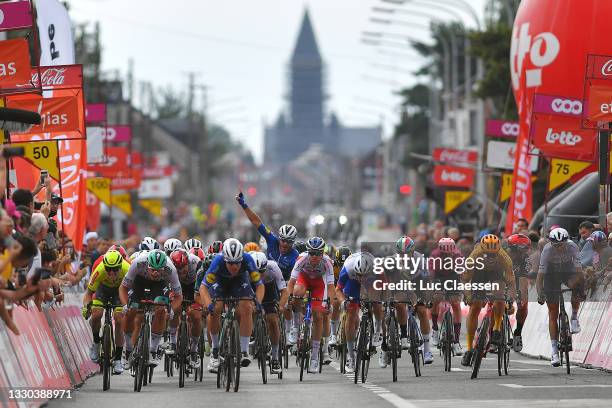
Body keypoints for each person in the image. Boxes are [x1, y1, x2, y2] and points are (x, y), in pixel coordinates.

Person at [235, 191, 299, 346]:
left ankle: (291, 329)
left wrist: (288, 297)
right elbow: (256, 222)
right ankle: (252, 332)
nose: (284, 244)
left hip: (283, 282)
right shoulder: (271, 240)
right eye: (282, 240)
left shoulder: (295, 256)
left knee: (284, 307)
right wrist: (244, 205)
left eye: (288, 242)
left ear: (293, 243)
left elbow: (293, 280)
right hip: (264, 277)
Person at [199, 238, 264, 372]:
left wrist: (258, 301)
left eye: (237, 263)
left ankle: (244, 351)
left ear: (242, 259)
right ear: (225, 260)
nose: (234, 267)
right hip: (220, 282)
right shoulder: (218, 261)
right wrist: (208, 304)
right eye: (230, 263)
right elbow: (203, 288)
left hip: (240, 281)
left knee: (247, 307)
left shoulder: (247, 259)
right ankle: (215, 351)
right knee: (215, 308)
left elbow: (260, 286)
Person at [120, 249, 183, 367]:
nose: (155, 273)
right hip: (139, 281)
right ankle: (128, 348)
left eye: (159, 270)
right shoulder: (138, 263)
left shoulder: (170, 269)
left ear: (164, 267)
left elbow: (179, 296)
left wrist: (172, 310)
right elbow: (123, 288)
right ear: (147, 265)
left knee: (161, 310)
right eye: (153, 269)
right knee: (131, 310)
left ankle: (153, 350)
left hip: (160, 284)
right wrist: (125, 305)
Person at [461, 234, 515, 367]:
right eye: (488, 255)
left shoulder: (505, 258)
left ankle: (496, 329)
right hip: (479, 274)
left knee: (500, 296)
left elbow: (511, 283)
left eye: (494, 255)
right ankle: (469, 348)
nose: (491, 258)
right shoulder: (473, 258)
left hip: (496, 274)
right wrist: (468, 295)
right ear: (482, 250)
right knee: (475, 306)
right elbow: (465, 280)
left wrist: (510, 300)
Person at [285, 236, 334, 372]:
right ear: (308, 252)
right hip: (304, 279)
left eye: (318, 253)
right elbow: (291, 282)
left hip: (319, 283)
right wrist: (289, 297)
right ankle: (295, 326)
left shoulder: (327, 262)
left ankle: (314, 357)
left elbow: (330, 286)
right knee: (297, 292)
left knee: (319, 316)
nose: (314, 256)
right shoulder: (302, 259)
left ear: (322, 253)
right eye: (311, 253)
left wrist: (329, 302)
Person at [537, 227, 584, 367]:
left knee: (576, 285)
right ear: (551, 243)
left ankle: (574, 317)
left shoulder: (573, 247)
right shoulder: (547, 250)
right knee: (553, 312)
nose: (558, 247)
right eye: (555, 245)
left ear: (567, 241)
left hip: (568, 270)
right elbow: (540, 277)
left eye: (561, 245)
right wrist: (540, 293)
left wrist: (579, 287)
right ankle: (554, 350)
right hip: (551, 274)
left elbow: (579, 272)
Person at [82, 250, 130, 374]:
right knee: (96, 314)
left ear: (121, 266)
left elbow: (132, 292)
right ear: (105, 267)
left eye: (115, 269)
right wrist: (86, 307)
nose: (112, 273)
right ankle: (96, 342)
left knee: (119, 320)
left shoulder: (127, 269)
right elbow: (88, 294)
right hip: (102, 289)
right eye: (109, 269)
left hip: (120, 290)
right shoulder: (100, 270)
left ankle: (118, 359)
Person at [394, 236, 434, 364]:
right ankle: (404, 336)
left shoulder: (420, 259)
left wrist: (428, 297)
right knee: (399, 305)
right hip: (400, 283)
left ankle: (427, 350)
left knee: (422, 311)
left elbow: (427, 281)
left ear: (412, 252)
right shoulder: (393, 261)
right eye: (401, 254)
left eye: (407, 253)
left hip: (418, 283)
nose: (404, 256)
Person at [334, 251, 375, 373]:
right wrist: (343, 302)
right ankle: (351, 356)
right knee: (351, 314)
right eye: (359, 275)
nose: (361, 278)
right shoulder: (347, 269)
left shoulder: (376, 269)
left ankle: (375, 333)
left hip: (371, 283)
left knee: (376, 305)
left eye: (364, 275)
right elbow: (338, 290)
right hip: (352, 284)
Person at [249, 251, 288, 372]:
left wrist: (281, 305)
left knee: (273, 320)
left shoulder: (273, 267)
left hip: (269, 290)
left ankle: (275, 358)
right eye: (256, 273)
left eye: (261, 272)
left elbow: (284, 291)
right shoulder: (245, 269)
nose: (259, 275)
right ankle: (252, 334)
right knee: (248, 309)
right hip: (251, 289)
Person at [167, 249, 203, 369]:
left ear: (188, 263)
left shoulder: (196, 263)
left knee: (196, 316)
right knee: (174, 310)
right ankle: (172, 342)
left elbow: (203, 286)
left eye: (183, 267)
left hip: (194, 287)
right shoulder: (168, 266)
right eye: (177, 268)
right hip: (177, 286)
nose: (181, 270)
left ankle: (193, 350)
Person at [428, 237, 464, 356]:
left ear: (453, 250)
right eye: (444, 253)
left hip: (453, 276)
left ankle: (456, 341)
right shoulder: (435, 255)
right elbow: (430, 274)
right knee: (436, 298)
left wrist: (464, 287)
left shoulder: (458, 255)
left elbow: (462, 273)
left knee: (456, 304)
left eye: (449, 253)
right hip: (438, 276)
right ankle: (434, 328)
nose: (447, 254)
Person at [506, 233, 532, 352]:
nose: (523, 253)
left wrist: (521, 298)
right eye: (521, 250)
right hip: (502, 279)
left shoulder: (525, 259)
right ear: (512, 248)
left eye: (526, 250)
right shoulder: (503, 255)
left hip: (517, 280)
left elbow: (523, 280)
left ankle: (518, 333)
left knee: (523, 303)